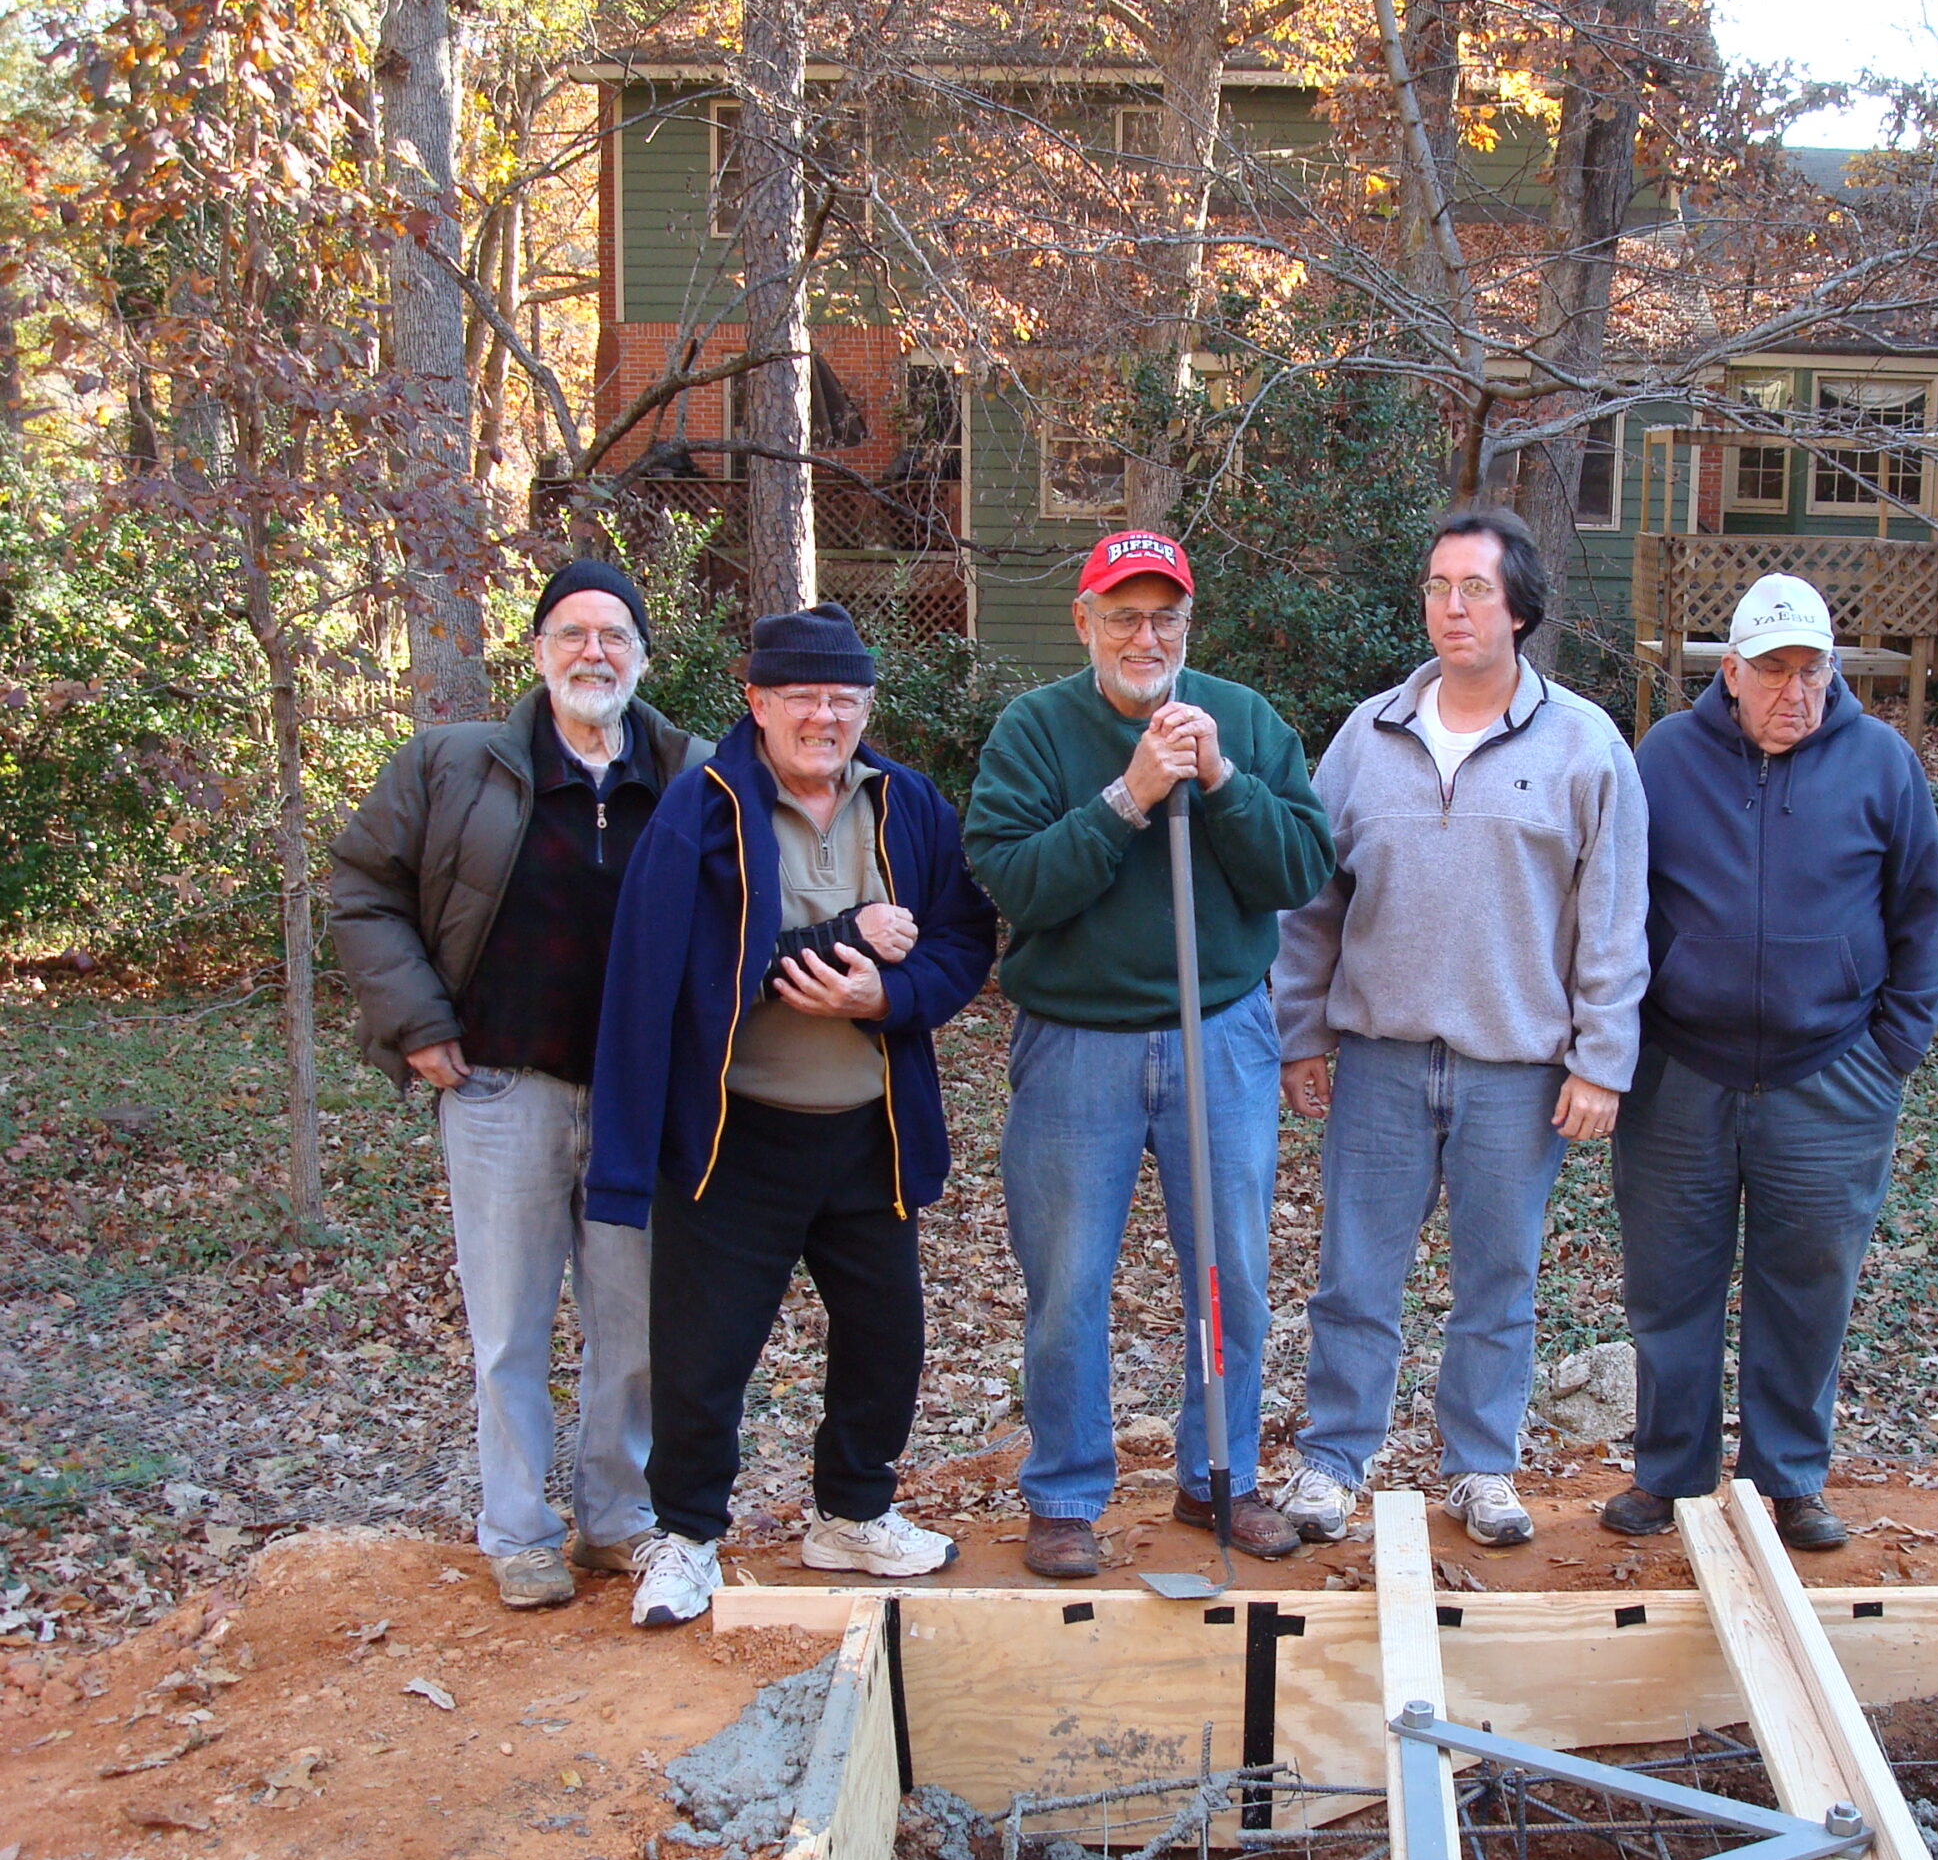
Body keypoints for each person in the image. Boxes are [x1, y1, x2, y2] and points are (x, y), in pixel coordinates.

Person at [585, 603, 997, 1627]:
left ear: (867, 707)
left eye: (844, 698)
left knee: (885, 1339)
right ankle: (686, 1537)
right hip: (734, 1133)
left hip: (868, 1132)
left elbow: (961, 939)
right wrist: (837, 938)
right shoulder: (701, 809)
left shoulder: (908, 803)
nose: (825, 716)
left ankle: (851, 1515)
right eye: (803, 696)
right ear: (757, 702)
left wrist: (888, 995)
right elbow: (670, 969)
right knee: (704, 1353)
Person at [330, 559, 709, 1609]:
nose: (594, 652)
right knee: (509, 1328)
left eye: (615, 635)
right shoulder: (453, 765)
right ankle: (518, 1532)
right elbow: (362, 888)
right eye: (572, 633)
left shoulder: (691, 773)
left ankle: (616, 1520)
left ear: (643, 657)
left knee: (634, 1326)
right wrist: (417, 1021)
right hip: (502, 1087)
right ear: (538, 651)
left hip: (639, 1101)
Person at [1266, 508, 1647, 1548]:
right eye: (1438, 586)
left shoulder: (1583, 744)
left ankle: (1480, 1466)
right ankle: (1332, 1461)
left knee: (1498, 1283)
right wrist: (1301, 1032)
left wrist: (1602, 1061)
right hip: (1379, 1062)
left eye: (1475, 588)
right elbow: (1311, 900)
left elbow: (1614, 916)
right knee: (1354, 1277)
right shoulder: (1367, 736)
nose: (1453, 607)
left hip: (1516, 1073)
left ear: (1520, 609)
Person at [963, 530, 1336, 1579]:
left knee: (1230, 1274)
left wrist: (1219, 780)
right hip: (1075, 1046)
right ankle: (1065, 1492)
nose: (1146, 637)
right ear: (1083, 622)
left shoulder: (1242, 720)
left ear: (1187, 624)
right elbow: (1016, 883)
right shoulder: (1035, 730)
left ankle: (1219, 1474)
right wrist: (1127, 798)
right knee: (1068, 1282)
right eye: (1123, 616)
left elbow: (1299, 870)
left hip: (1221, 1035)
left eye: (1165, 617)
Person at [1601, 572, 1938, 1550]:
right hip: (1680, 1071)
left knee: (1808, 1284)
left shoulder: (1882, 764)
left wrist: (1892, 1050)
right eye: (1772, 671)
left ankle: (1789, 1478)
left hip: (1830, 1074)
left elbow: (1924, 915)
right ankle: (1669, 1475)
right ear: (1730, 671)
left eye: (1812, 671)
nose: (1794, 693)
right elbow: (1615, 905)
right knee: (1669, 1284)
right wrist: (1622, 1038)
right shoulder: (1665, 760)